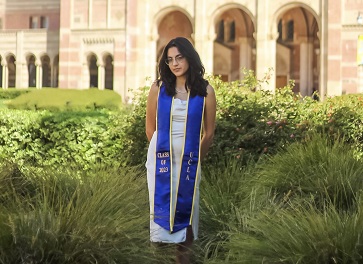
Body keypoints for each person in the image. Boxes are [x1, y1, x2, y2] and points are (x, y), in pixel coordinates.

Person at [145, 37, 216, 264]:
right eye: (169, 60)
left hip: (189, 165)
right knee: (160, 218)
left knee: (187, 221)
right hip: (161, 164)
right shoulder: (158, 89)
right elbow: (150, 128)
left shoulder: (205, 91)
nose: (175, 64)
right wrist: (161, 152)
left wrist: (194, 160)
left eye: (179, 57)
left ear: (189, 57)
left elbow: (209, 133)